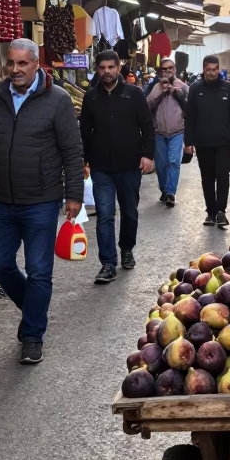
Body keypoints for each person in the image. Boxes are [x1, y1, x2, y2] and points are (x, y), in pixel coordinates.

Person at [0, 39, 85, 365]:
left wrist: (74, 194)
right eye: (11, 63)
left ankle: (32, 334)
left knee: (39, 271)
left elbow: (72, 153)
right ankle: (33, 309)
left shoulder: (58, 100)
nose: (15, 70)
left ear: (35, 64)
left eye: (22, 64)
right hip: (1, 200)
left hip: (41, 200)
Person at [79, 50, 155, 285]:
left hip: (130, 165)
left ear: (119, 67)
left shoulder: (134, 94)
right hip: (101, 167)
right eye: (102, 68)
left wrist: (148, 155)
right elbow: (84, 131)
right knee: (104, 215)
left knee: (130, 212)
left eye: (111, 67)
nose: (106, 72)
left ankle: (127, 249)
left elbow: (147, 126)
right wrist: (83, 160)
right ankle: (108, 263)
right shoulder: (90, 98)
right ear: (97, 69)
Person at [184, 55, 230, 227]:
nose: (212, 73)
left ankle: (221, 211)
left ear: (219, 69)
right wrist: (188, 142)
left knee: (223, 175)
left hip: (224, 142)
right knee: (207, 177)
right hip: (203, 142)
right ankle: (210, 212)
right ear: (204, 69)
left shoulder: (228, 88)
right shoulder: (195, 89)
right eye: (209, 69)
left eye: (215, 69)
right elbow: (190, 117)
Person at [148, 58, 188, 208]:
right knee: (161, 164)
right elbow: (147, 106)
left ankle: (171, 192)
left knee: (173, 161)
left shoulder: (182, 86)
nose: (168, 71)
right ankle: (164, 189)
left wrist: (176, 93)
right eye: (164, 69)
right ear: (160, 71)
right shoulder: (155, 87)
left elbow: (190, 108)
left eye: (170, 68)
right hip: (159, 132)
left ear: (175, 70)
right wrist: (161, 93)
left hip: (177, 131)